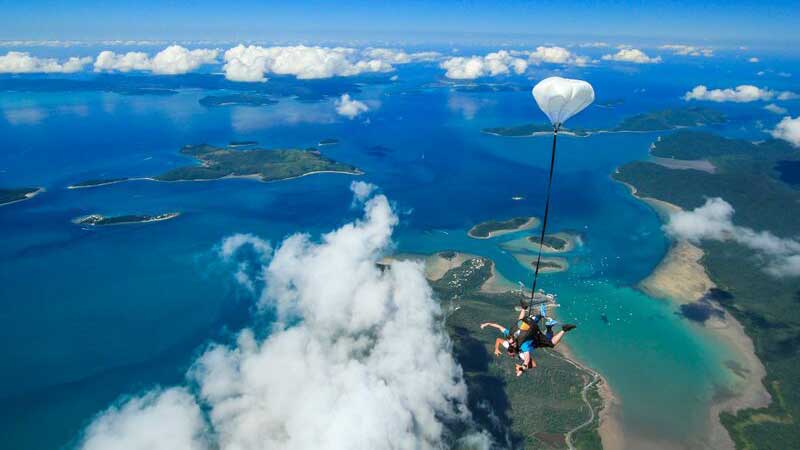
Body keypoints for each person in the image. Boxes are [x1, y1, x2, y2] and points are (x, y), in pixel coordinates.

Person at [481, 307, 576, 377]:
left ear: (514, 350)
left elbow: (531, 363)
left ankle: (564, 329)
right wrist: (496, 348)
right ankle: (537, 316)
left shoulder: (523, 349)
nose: (512, 356)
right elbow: (498, 335)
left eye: (512, 355)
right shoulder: (510, 341)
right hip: (527, 326)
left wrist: (521, 368)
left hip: (535, 339)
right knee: (525, 323)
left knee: (551, 343)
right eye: (511, 355)